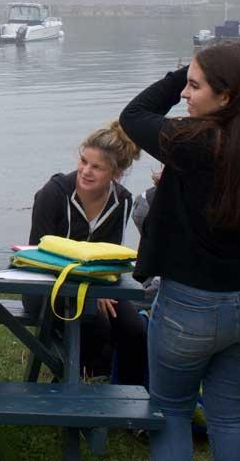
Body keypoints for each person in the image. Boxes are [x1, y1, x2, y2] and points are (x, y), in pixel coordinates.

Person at [119, 41, 240, 461]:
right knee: (230, 414)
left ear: (226, 96)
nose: (185, 94)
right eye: (185, 84)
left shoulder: (190, 142)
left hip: (191, 306)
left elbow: (134, 115)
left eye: (194, 85)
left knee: (170, 411)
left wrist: (179, 71)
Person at [23, 122, 147, 383]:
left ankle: (132, 402)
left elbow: (111, 255)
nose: (85, 171)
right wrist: (90, 283)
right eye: (83, 161)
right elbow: (38, 255)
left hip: (96, 287)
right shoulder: (53, 194)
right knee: (96, 325)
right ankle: (77, 384)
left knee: (136, 330)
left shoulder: (121, 200)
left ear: (116, 173)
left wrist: (101, 285)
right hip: (46, 288)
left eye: (97, 167)